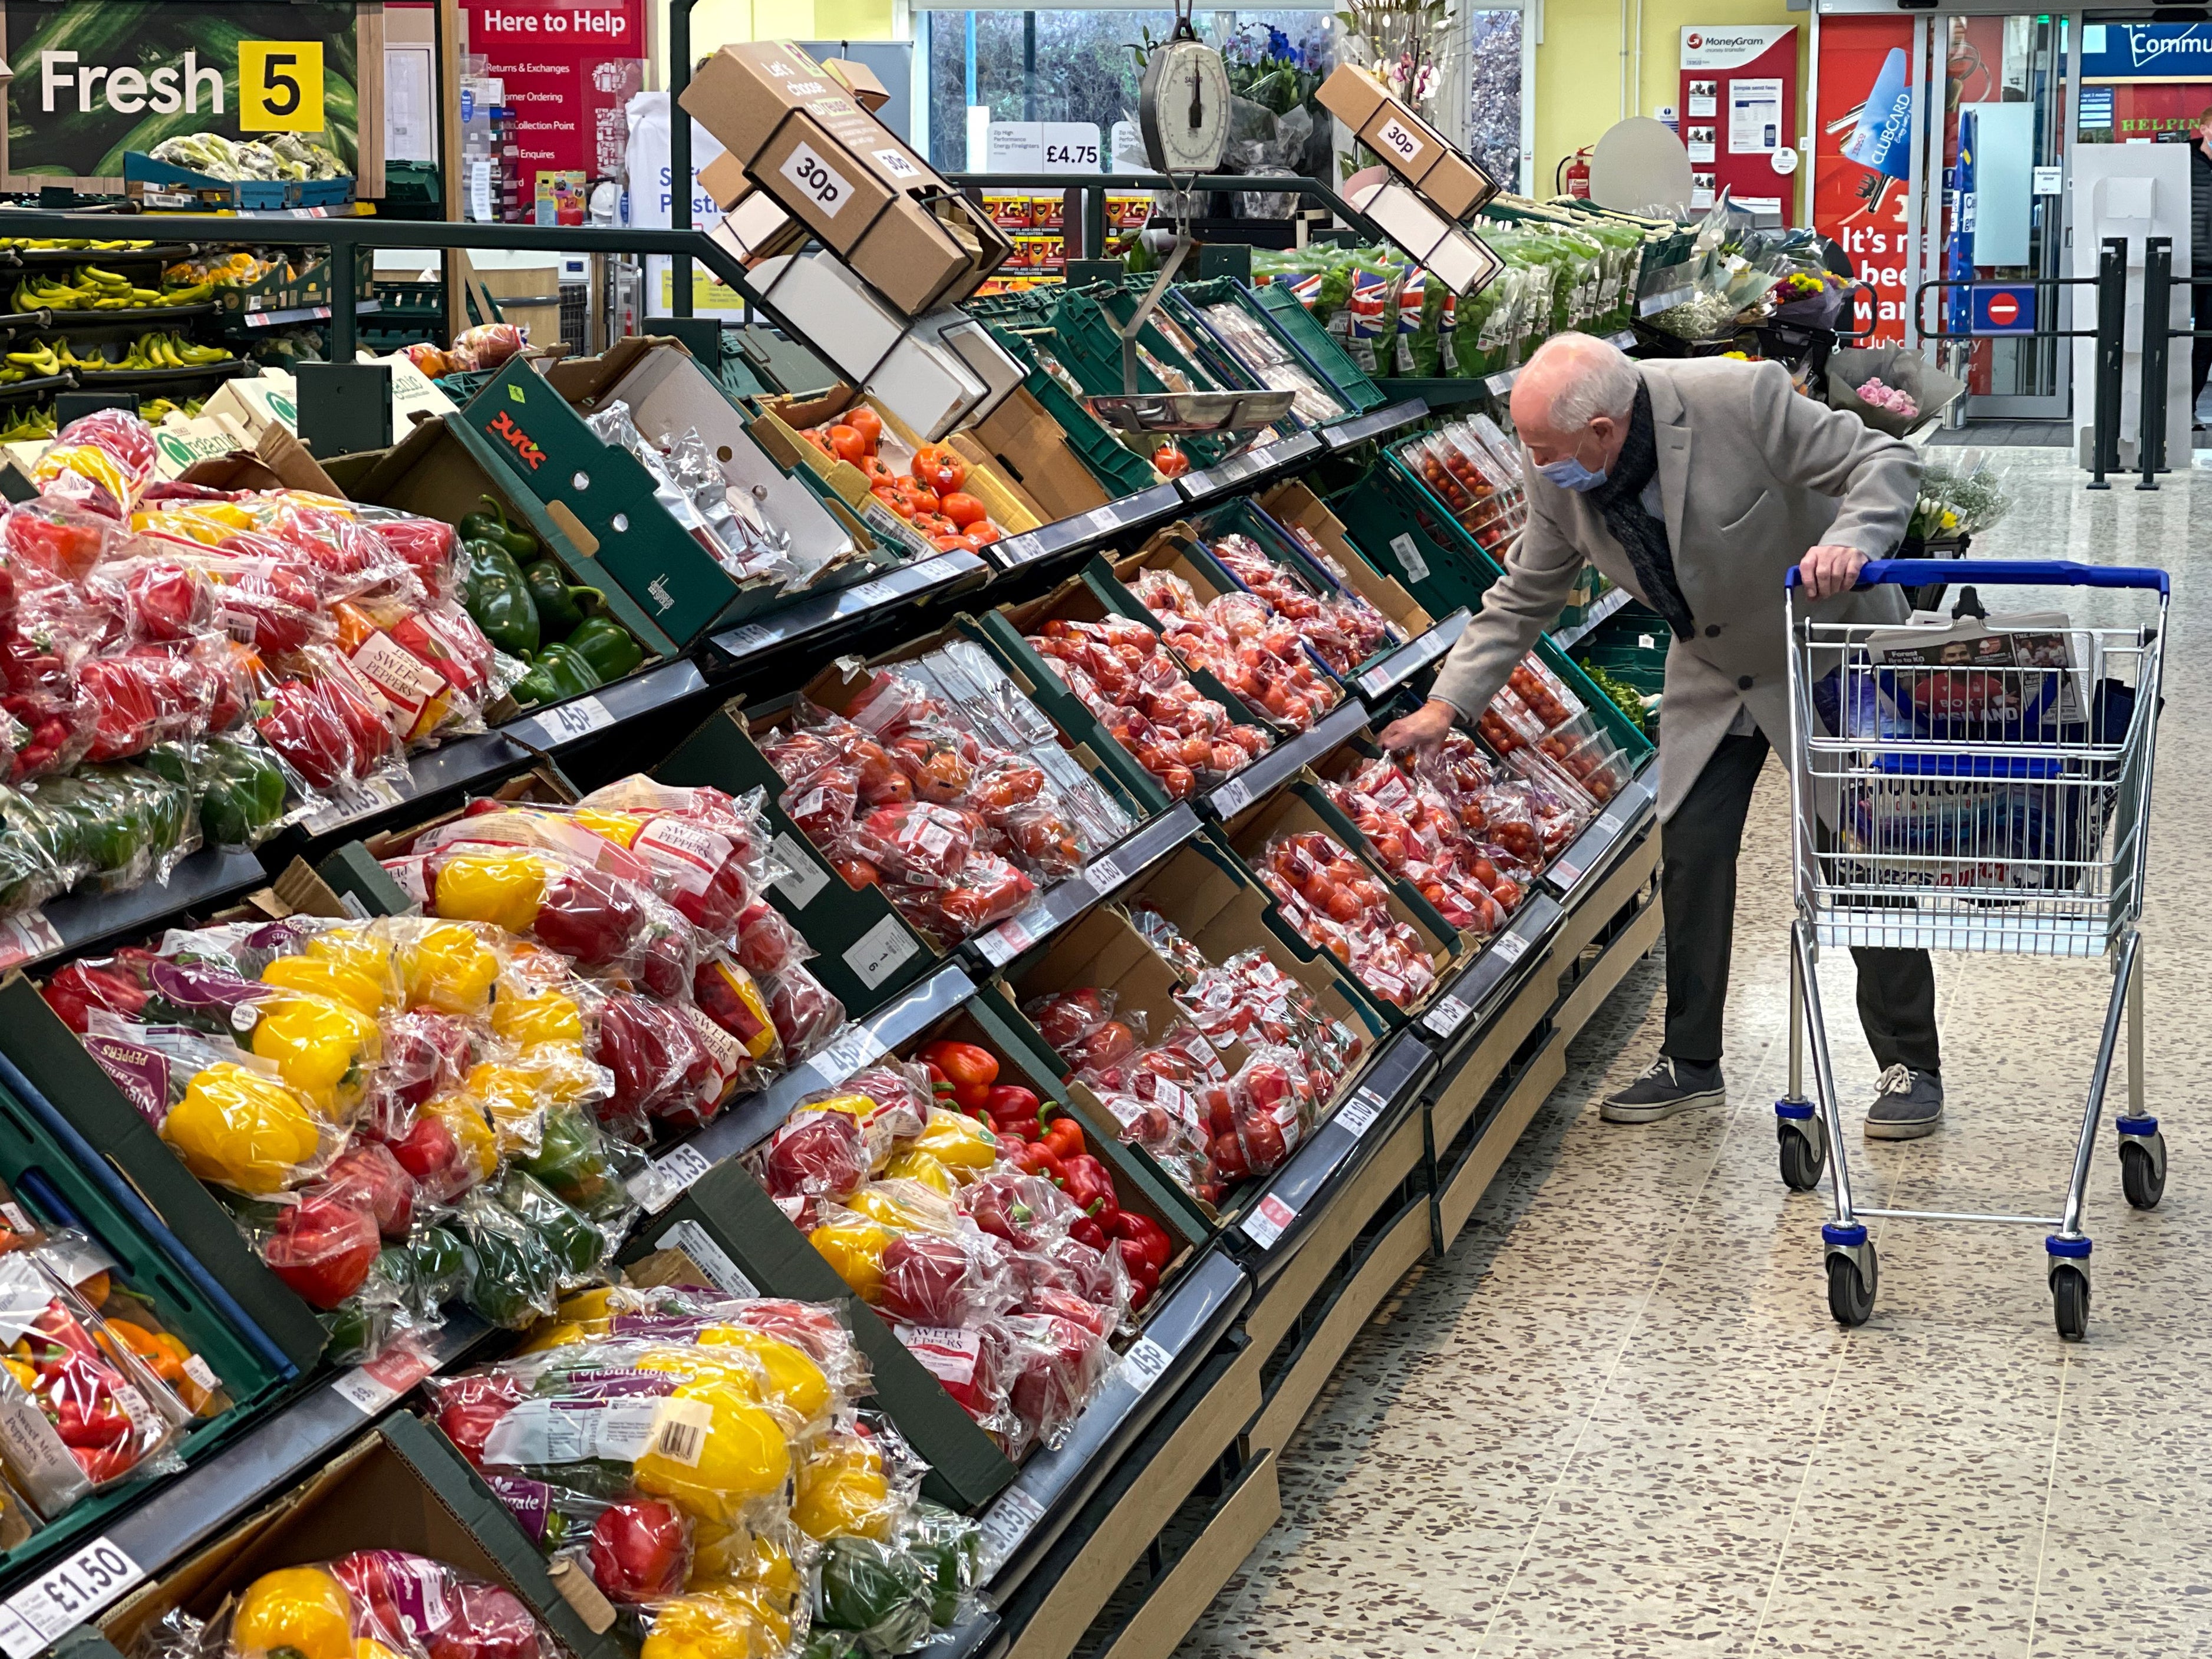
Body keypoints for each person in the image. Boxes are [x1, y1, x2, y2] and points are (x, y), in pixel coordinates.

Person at [1380, 334, 1945, 1137]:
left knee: (1855, 848)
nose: (1534, 463)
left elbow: (1883, 463)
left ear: (1604, 431)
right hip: (1713, 664)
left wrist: (1852, 539)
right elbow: (1524, 595)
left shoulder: (1737, 400)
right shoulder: (1559, 477)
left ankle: (1910, 1064)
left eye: (1545, 448)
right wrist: (1448, 704)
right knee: (1691, 845)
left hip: (1817, 644)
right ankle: (1691, 1061)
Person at [2191, 107, 2212, 423]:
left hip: (2211, 270)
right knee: (2170, 336)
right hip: (2182, 264)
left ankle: (2189, 407)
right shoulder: (2184, 160)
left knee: (2206, 340)